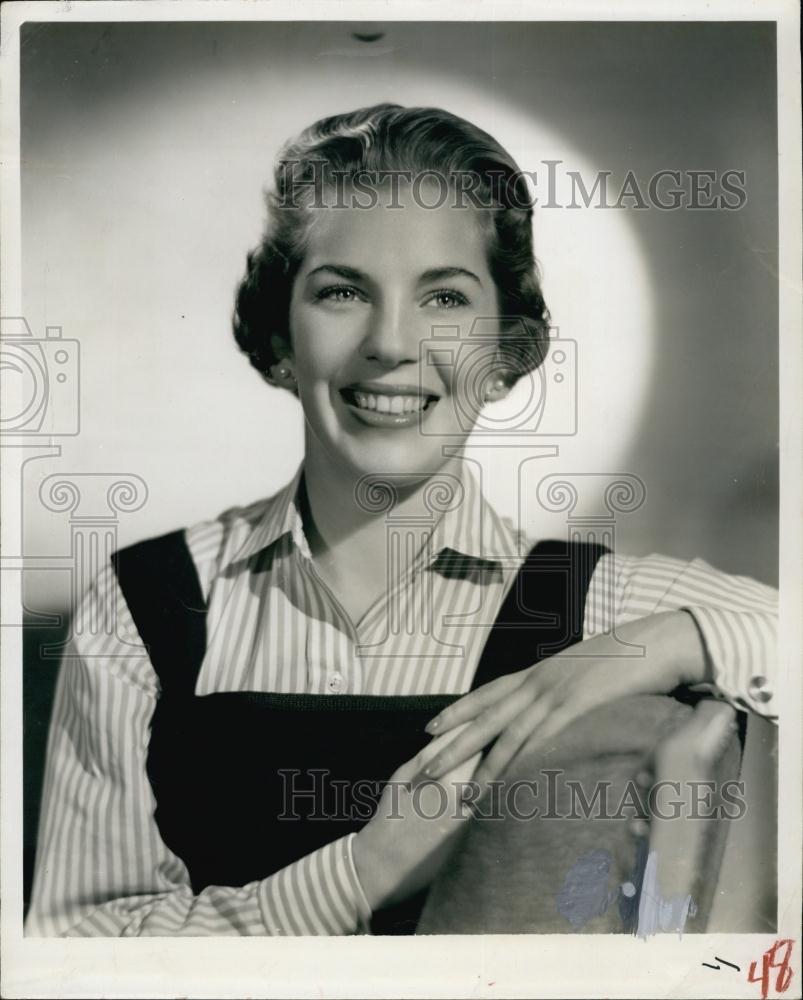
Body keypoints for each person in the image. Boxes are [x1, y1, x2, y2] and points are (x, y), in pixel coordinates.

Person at [26, 103, 778, 937]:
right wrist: (361, 870)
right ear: (279, 338)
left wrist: (676, 639)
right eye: (342, 291)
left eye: (444, 299)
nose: (391, 342)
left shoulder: (590, 604)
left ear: (505, 353)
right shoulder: (142, 604)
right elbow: (73, 953)